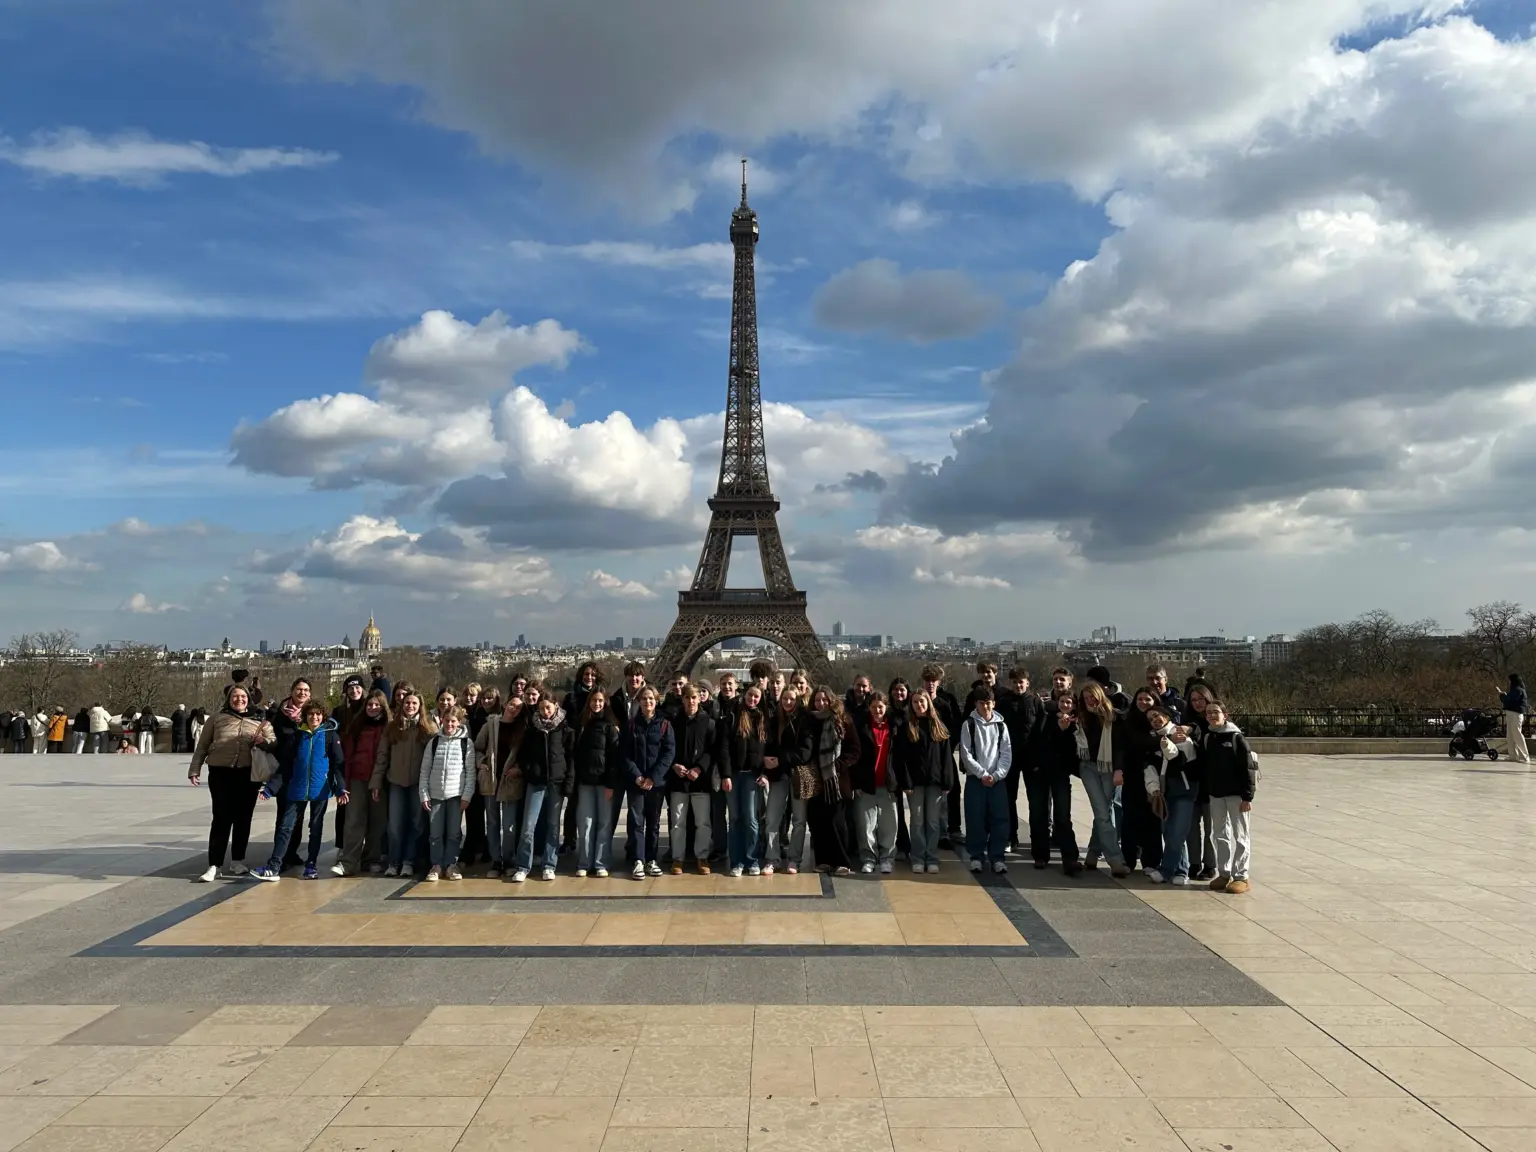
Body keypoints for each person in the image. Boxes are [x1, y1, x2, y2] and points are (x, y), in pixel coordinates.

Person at [249, 702, 347, 882]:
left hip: (320, 791)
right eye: (310, 714)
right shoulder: (296, 736)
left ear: (322, 716)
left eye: (318, 715)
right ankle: (274, 866)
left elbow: (338, 765)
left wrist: (341, 788)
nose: (314, 718)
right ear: (305, 717)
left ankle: (311, 865)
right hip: (297, 789)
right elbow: (285, 766)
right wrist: (270, 788)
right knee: (286, 827)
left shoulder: (330, 736)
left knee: (315, 829)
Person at [188, 685, 272, 882]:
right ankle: (214, 864)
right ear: (228, 699)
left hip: (247, 774)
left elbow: (273, 742)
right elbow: (202, 746)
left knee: (243, 818)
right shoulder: (216, 719)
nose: (239, 699)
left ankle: (238, 860)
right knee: (221, 818)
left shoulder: (259, 720)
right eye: (235, 696)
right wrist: (194, 769)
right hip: (220, 773)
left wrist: (263, 740)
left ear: (249, 699)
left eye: (243, 696)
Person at [371, 688, 435, 878]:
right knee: (394, 825)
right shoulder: (392, 727)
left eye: (414, 703)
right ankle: (394, 862)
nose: (410, 706)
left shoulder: (427, 728)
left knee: (416, 824)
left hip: (418, 783)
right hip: (396, 781)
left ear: (420, 706)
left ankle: (408, 861)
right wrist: (376, 782)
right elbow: (382, 756)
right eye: (407, 702)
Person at [513, 695, 570, 882]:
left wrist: (567, 782)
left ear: (556, 705)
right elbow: (523, 755)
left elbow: (570, 757)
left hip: (556, 782)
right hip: (536, 782)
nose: (545, 712)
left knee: (553, 826)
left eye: (548, 707)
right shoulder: (533, 730)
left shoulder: (564, 728)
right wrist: (530, 771)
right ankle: (523, 866)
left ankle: (549, 864)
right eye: (541, 708)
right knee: (528, 826)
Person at [1077, 682, 1130, 878]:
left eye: (1093, 697)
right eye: (1086, 698)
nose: (1090, 701)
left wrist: (1119, 769)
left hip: (1108, 768)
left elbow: (1120, 746)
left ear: (1101, 695)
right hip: (1088, 767)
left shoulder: (1114, 717)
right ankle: (1115, 860)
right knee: (1102, 812)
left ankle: (1092, 853)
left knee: (1104, 812)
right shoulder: (1080, 718)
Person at [336, 689, 391, 876]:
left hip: (381, 780)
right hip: (358, 778)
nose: (373, 708)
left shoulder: (389, 728)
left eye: (377, 705)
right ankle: (349, 861)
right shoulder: (357, 726)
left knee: (377, 822)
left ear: (383, 707)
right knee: (354, 821)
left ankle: (371, 859)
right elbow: (348, 754)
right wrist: (345, 782)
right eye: (370, 704)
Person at [1202, 700, 1256, 894]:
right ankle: (1224, 873)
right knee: (1219, 834)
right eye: (1208, 713)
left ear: (1225, 714)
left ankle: (1241, 875)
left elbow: (1248, 768)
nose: (1212, 715)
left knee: (1240, 835)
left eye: (1216, 712)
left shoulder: (1236, 738)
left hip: (1236, 795)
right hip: (1216, 795)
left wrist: (1247, 797)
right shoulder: (1209, 738)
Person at [806, 686, 859, 877]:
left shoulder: (842, 720)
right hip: (816, 780)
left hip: (836, 781)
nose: (821, 704)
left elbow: (854, 750)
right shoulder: (810, 721)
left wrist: (837, 765)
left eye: (824, 700)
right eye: (817, 700)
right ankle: (824, 861)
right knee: (818, 822)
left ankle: (842, 861)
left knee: (836, 822)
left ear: (831, 700)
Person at [899, 689, 953, 873]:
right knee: (917, 821)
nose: (919, 705)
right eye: (915, 702)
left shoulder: (938, 726)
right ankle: (917, 857)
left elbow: (946, 758)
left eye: (922, 701)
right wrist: (906, 782)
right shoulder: (907, 727)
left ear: (928, 703)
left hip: (935, 782)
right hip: (915, 784)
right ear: (911, 705)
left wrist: (947, 782)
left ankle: (932, 858)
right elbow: (902, 758)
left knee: (933, 822)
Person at [1145, 708, 1201, 887]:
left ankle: (1166, 870)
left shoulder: (1179, 733)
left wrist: (1167, 742)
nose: (1154, 720)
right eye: (1150, 719)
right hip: (1165, 793)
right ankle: (1181, 871)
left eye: (1156, 715)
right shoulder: (1152, 740)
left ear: (1167, 716)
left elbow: (1178, 759)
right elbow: (1149, 768)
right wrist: (1153, 789)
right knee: (1169, 833)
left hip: (1185, 791)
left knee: (1177, 834)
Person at [419, 706, 475, 883]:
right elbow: (425, 770)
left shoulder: (466, 743)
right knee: (435, 833)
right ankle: (436, 865)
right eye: (447, 720)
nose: (449, 724)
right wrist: (424, 794)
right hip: (435, 795)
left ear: (459, 722)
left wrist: (467, 795)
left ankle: (451, 864)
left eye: (453, 721)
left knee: (453, 833)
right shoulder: (434, 742)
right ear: (441, 720)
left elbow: (470, 772)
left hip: (456, 795)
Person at [622, 686, 673, 879]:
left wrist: (653, 777)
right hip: (636, 782)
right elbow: (625, 754)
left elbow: (669, 753)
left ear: (656, 701)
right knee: (636, 822)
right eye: (644, 699)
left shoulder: (665, 725)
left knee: (652, 823)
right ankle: (638, 860)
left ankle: (651, 859)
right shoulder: (631, 725)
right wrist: (637, 776)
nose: (647, 702)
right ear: (639, 702)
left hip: (655, 783)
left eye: (651, 698)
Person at [570, 689, 622, 877]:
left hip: (603, 783)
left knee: (604, 824)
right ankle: (584, 862)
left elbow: (614, 759)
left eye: (600, 700)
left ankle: (600, 862)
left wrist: (611, 784)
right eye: (594, 700)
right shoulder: (581, 725)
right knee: (585, 824)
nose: (597, 704)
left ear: (606, 703)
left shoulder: (611, 727)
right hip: (585, 782)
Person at [474, 692, 526, 878]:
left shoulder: (522, 729)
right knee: (493, 822)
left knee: (509, 825)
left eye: (519, 707)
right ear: (505, 703)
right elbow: (477, 747)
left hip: (510, 780)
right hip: (491, 779)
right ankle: (497, 860)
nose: (514, 709)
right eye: (512, 704)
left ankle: (509, 859)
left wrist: (518, 769)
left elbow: (524, 756)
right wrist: (481, 762)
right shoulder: (491, 724)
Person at [852, 691, 904, 873]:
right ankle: (868, 857)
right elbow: (855, 756)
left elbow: (899, 757)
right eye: (873, 707)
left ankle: (887, 857)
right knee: (866, 825)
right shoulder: (861, 727)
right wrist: (856, 783)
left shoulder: (895, 727)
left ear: (886, 707)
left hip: (888, 782)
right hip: (866, 782)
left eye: (880, 707)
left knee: (889, 824)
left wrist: (898, 781)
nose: (877, 710)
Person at [667, 685, 716, 875]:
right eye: (687, 697)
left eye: (694, 697)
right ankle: (678, 858)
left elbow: (712, 750)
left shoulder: (708, 723)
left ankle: (701, 856)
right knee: (677, 822)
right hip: (678, 778)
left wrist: (699, 768)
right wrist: (674, 765)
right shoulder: (673, 721)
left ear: (699, 699)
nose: (691, 701)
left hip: (700, 779)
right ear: (683, 699)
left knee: (703, 822)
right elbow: (667, 748)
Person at [763, 686, 812, 876]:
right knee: (772, 819)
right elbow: (768, 746)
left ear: (798, 700)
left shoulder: (804, 721)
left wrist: (780, 759)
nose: (788, 702)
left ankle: (794, 859)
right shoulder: (775, 721)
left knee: (799, 820)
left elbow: (806, 752)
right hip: (779, 775)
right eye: (785, 699)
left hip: (798, 775)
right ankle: (772, 858)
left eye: (791, 699)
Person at [1119, 688, 1165, 873]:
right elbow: (1133, 743)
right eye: (1140, 699)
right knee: (1130, 817)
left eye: (1148, 699)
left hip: (1154, 776)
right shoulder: (1128, 721)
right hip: (1133, 774)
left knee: (1153, 818)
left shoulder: (1160, 719)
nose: (1143, 702)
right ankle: (1128, 859)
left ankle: (1151, 861)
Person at [998, 668, 1042, 854]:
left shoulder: (1036, 702)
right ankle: (1010, 836)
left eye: (1021, 681)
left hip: (1031, 757)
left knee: (1035, 800)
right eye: (1015, 682)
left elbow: (1041, 730)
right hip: (1010, 757)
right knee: (1009, 798)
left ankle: (1037, 839)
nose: (1018, 685)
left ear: (1027, 682)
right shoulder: (1003, 703)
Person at [726, 685, 768, 877]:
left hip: (752, 775)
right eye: (750, 695)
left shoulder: (762, 718)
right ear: (744, 695)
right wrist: (726, 774)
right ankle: (737, 861)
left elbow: (766, 748)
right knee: (735, 819)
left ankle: (751, 859)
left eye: (756, 696)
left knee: (750, 819)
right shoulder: (734, 715)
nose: (753, 698)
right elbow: (724, 747)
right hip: (734, 774)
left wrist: (764, 772)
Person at [921, 664, 964, 848]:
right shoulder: (918, 700)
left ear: (939, 682)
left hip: (943, 752)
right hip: (924, 754)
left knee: (950, 790)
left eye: (933, 681)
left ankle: (949, 830)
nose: (931, 684)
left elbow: (955, 726)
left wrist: (948, 746)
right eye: (928, 681)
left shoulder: (946, 703)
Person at [1040, 694, 1083, 874]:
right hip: (1043, 771)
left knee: (1063, 816)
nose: (1065, 705)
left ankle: (1070, 858)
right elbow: (1043, 742)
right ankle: (1041, 855)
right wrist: (1058, 729)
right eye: (1062, 702)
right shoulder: (1048, 718)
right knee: (1041, 814)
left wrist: (1066, 730)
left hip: (1062, 774)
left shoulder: (1077, 724)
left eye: (1069, 702)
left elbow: (1072, 752)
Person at [1183, 684, 1219, 881]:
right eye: (1194, 700)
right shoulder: (1185, 721)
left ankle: (1210, 864)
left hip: (1212, 783)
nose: (1197, 703)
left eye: (1201, 699)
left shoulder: (1215, 724)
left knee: (1210, 827)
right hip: (1191, 780)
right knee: (1192, 826)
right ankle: (1194, 862)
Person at [1499, 674, 1530, 765]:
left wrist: (1502, 696)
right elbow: (1509, 699)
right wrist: (1505, 695)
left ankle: (1525, 756)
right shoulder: (1516, 690)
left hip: (1515, 714)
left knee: (1517, 735)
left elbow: (1509, 700)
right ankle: (1513, 756)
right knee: (1510, 736)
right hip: (1511, 714)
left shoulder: (1518, 690)